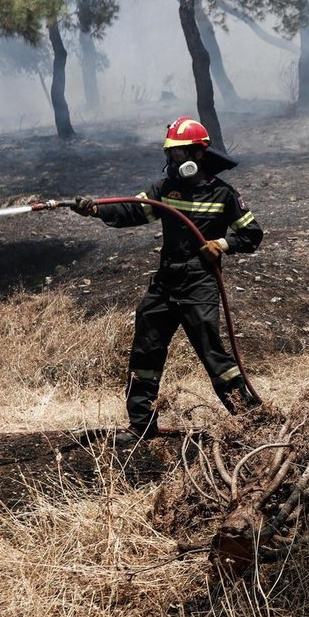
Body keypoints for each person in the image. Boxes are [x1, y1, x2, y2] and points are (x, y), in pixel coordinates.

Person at [73, 117, 263, 444]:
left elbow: (252, 234)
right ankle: (141, 425)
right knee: (145, 352)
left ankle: (252, 423)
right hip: (165, 282)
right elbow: (134, 210)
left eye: (180, 154)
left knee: (214, 356)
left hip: (199, 285)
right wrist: (96, 210)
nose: (174, 162)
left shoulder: (224, 194)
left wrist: (223, 244)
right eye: (170, 155)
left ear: (198, 154)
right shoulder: (165, 189)